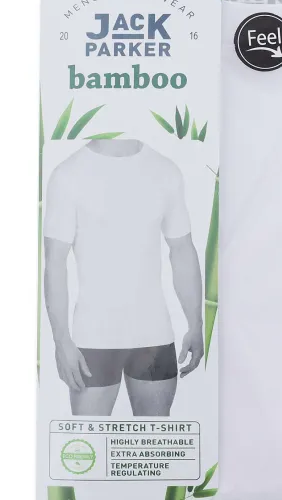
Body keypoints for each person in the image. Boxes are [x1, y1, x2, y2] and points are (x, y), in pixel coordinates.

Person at [44, 139, 203, 416]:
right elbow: (54, 263)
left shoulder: (165, 171)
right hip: (93, 337)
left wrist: (195, 324)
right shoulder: (67, 175)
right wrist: (61, 341)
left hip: (154, 335)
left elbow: (182, 250)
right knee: (87, 441)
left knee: (155, 442)